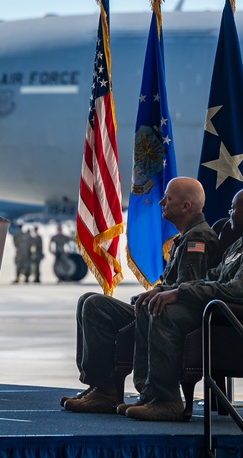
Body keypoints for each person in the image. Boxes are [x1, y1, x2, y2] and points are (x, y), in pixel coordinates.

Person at [125, 186, 243, 422]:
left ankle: (167, 402)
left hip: (237, 322)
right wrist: (169, 289)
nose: (229, 212)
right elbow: (213, 276)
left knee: (163, 313)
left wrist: (181, 293)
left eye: (233, 208)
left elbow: (241, 290)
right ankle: (150, 395)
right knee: (152, 304)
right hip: (220, 314)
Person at [63, 177, 221, 414]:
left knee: (104, 303)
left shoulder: (197, 238)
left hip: (177, 315)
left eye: (168, 198)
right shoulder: (185, 237)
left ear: (186, 206)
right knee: (91, 302)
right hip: (162, 306)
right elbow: (175, 285)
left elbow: (188, 288)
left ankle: (160, 398)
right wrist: (155, 291)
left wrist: (160, 292)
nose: (161, 202)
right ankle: (102, 389)